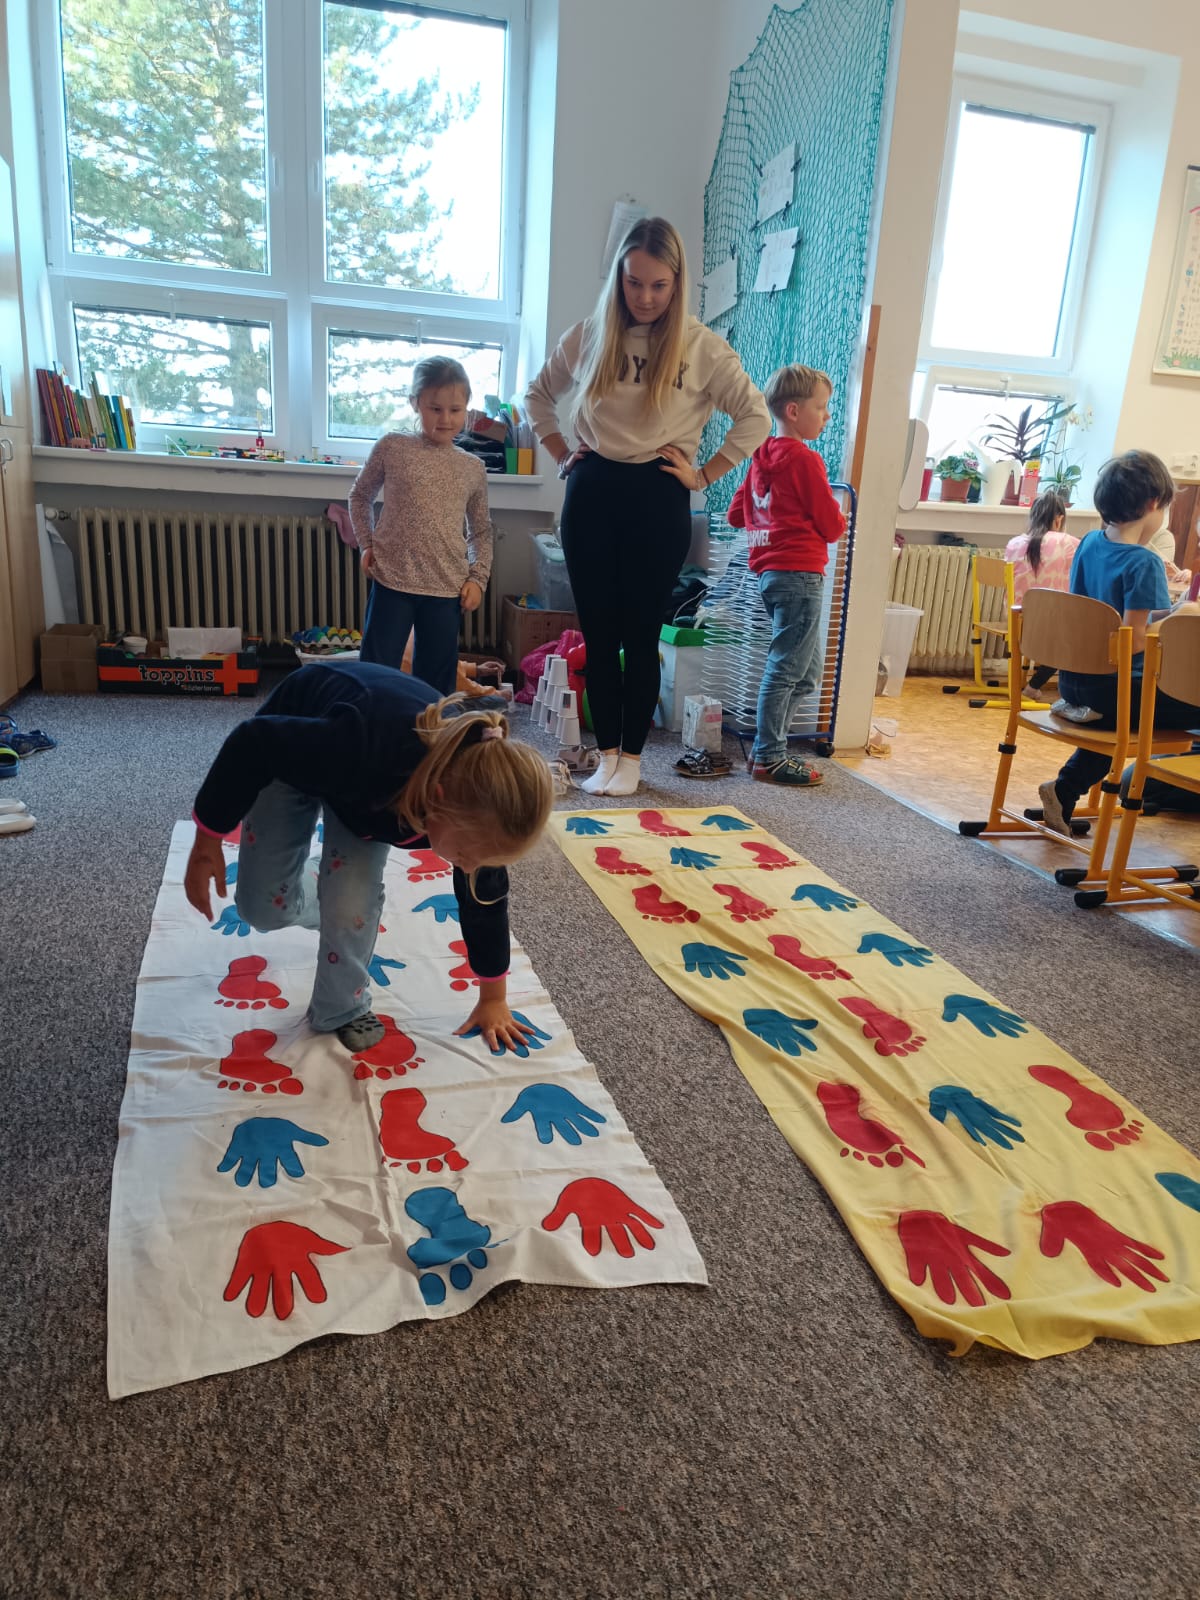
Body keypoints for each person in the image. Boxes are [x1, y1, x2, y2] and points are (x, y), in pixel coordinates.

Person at [183, 660, 553, 1053]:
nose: (468, 867)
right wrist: (207, 840)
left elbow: (485, 903)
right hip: (298, 749)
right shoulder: (366, 749)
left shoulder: (479, 817)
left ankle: (342, 1007)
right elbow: (251, 742)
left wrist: (494, 998)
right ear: (438, 802)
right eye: (463, 855)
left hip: (368, 804)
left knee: (350, 907)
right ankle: (326, 889)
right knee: (262, 910)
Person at [524, 216, 771, 797]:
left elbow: (755, 416)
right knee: (598, 633)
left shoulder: (701, 347)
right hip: (592, 492)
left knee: (640, 636)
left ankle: (632, 760)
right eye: (634, 282)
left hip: (659, 495)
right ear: (619, 277)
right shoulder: (588, 336)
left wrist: (705, 474)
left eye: (659, 285)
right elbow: (538, 396)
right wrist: (559, 451)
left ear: (677, 283)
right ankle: (606, 754)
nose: (645, 297)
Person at [1037, 450, 1200, 836]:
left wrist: (1171, 611)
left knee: (1121, 723)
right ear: (1153, 504)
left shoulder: (1089, 543)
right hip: (1116, 688)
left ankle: (1065, 790)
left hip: (1075, 681)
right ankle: (1171, 784)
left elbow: (1111, 620)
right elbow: (1134, 643)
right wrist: (1179, 619)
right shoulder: (1143, 562)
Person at [724, 364, 846, 786]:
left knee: (806, 674)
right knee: (785, 669)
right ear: (794, 411)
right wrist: (836, 516)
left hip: (771, 575)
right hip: (800, 574)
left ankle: (767, 748)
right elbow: (831, 526)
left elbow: (736, 515)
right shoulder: (805, 460)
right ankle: (770, 757)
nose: (826, 415)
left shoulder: (760, 459)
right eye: (821, 407)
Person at [350, 356, 493, 696]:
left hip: (446, 588)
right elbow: (360, 495)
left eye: (455, 410)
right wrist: (366, 543)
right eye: (435, 408)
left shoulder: (472, 467)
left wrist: (478, 578)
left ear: (467, 408)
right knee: (375, 672)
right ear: (415, 402)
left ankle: (430, 730)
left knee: (436, 684)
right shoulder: (393, 446)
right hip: (393, 580)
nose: (446, 419)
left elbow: (481, 530)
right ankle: (371, 725)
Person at [1004, 490, 1075, 694]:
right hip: (1051, 622)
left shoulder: (1014, 544)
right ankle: (1034, 686)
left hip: (1016, 619)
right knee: (1078, 634)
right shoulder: (1068, 543)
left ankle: (1031, 685)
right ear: (1059, 519)